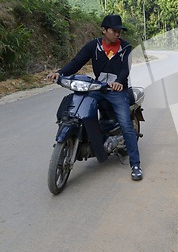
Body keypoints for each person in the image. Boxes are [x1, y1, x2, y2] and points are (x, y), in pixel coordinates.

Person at [48, 15, 143, 181]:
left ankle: (135, 165)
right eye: (114, 30)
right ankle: (91, 140)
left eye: (119, 31)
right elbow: (77, 62)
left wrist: (119, 82)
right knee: (82, 108)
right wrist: (60, 73)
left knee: (126, 125)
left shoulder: (126, 48)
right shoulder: (94, 45)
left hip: (117, 91)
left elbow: (125, 70)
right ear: (104, 30)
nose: (117, 33)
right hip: (98, 88)